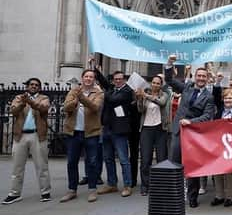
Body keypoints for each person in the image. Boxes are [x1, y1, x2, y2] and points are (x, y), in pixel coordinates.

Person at [165, 55, 216, 208]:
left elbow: (208, 116)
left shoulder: (209, 97)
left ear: (207, 79)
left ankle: (192, 197)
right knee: (174, 163)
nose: (201, 78)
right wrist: (169, 64)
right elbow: (169, 81)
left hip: (194, 135)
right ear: (195, 77)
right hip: (178, 131)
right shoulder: (187, 87)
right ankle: (173, 195)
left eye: (203, 76)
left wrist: (191, 122)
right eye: (199, 76)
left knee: (192, 165)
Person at [2, 78, 52, 204]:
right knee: (17, 167)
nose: (34, 86)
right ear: (27, 86)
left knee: (42, 166)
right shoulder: (19, 98)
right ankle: (15, 193)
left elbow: (43, 109)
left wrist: (30, 101)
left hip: (38, 135)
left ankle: (45, 192)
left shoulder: (44, 98)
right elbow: (13, 111)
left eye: (36, 85)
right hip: (21, 135)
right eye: (31, 84)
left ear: (39, 88)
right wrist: (22, 103)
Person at [60, 70, 104, 203]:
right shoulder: (74, 91)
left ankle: (92, 189)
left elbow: (95, 107)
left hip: (91, 133)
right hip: (73, 132)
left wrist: (82, 98)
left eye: (91, 77)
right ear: (82, 78)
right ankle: (72, 189)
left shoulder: (99, 93)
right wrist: (75, 101)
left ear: (94, 79)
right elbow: (66, 107)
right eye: (86, 76)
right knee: (71, 162)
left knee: (92, 162)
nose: (88, 79)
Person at [94, 69, 135, 197]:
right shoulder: (111, 88)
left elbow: (113, 99)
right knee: (108, 158)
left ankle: (127, 185)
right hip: (106, 127)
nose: (117, 81)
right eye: (115, 79)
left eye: (120, 79)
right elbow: (103, 81)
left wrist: (103, 92)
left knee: (123, 159)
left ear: (124, 80)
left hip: (119, 129)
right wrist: (96, 69)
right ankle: (112, 184)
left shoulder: (127, 91)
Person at [135, 75, 170, 196]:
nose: (155, 85)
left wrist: (146, 96)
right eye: (153, 83)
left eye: (158, 83)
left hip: (160, 128)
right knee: (145, 159)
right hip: (146, 128)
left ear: (161, 85)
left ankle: (161, 185)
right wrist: (139, 98)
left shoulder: (164, 94)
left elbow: (161, 102)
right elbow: (140, 110)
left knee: (161, 158)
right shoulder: (145, 94)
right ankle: (145, 185)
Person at [212, 88, 232, 207]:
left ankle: (230, 196)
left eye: (230, 98)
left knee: (229, 172)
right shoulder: (219, 112)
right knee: (217, 170)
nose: (227, 100)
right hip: (219, 144)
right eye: (226, 98)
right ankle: (219, 195)